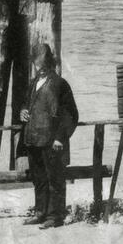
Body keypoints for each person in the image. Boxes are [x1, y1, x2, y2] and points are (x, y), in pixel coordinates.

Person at [19, 43, 79, 229]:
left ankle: (55, 216)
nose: (40, 69)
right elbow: (24, 105)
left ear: (50, 63)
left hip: (52, 142)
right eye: (37, 65)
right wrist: (22, 112)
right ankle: (40, 212)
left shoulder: (60, 84)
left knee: (55, 179)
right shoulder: (32, 84)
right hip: (33, 140)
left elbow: (71, 114)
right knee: (39, 179)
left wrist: (61, 137)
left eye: (43, 65)